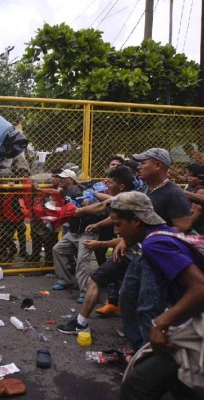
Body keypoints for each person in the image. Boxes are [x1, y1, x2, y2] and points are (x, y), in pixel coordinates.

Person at [110, 192, 204, 400]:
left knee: (137, 386)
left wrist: (160, 323)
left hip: (198, 323)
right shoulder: (165, 233)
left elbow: (200, 287)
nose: (116, 231)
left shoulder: (154, 244)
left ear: (136, 221)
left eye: (118, 224)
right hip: (192, 320)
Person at [117, 148, 192, 350]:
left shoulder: (174, 194)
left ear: (158, 165)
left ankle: (150, 352)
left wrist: (153, 235)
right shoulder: (146, 191)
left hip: (159, 257)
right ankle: (137, 345)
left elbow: (183, 227)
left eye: (144, 162)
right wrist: (126, 239)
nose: (139, 166)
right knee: (127, 298)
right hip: (141, 253)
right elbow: (135, 221)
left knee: (148, 307)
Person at [57, 166, 135, 334]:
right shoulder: (120, 198)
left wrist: (102, 243)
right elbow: (103, 207)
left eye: (111, 182)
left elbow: (103, 208)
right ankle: (82, 322)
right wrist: (89, 217)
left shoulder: (132, 200)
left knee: (133, 290)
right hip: (126, 247)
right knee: (102, 281)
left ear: (120, 186)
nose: (107, 184)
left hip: (138, 251)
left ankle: (140, 332)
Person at [51, 169, 104, 303]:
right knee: (58, 249)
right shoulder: (64, 191)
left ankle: (86, 292)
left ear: (71, 179)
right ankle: (65, 280)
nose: (61, 180)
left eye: (64, 178)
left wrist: (75, 212)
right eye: (60, 178)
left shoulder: (77, 191)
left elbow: (86, 207)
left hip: (87, 231)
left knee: (82, 260)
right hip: (74, 231)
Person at [28, 168, 63, 266]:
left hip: (51, 218)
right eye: (52, 176)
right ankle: (35, 258)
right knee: (35, 237)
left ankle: (49, 263)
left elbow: (56, 193)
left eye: (56, 176)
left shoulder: (60, 187)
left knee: (50, 241)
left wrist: (40, 188)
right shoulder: (43, 182)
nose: (52, 178)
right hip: (38, 215)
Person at [184, 163, 204, 234]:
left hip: (197, 230)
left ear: (200, 179)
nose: (189, 178)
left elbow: (196, 212)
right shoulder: (190, 188)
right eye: (188, 175)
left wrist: (184, 227)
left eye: (192, 176)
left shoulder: (200, 191)